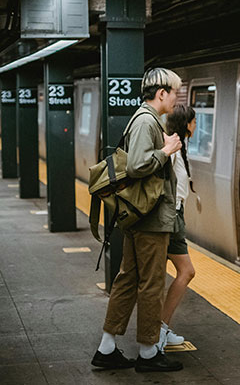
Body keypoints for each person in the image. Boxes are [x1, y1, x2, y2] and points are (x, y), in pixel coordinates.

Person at [91, 68, 184, 373]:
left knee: (128, 279)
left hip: (139, 216)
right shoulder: (147, 121)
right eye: (175, 92)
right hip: (150, 218)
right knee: (151, 283)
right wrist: (166, 150)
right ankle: (147, 352)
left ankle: (106, 348)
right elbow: (137, 164)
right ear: (162, 94)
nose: (177, 97)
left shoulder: (143, 118)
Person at [161, 105, 197, 346]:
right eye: (194, 121)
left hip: (173, 215)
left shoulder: (179, 147)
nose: (196, 125)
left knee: (151, 277)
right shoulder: (173, 148)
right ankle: (160, 329)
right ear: (186, 124)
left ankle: (156, 329)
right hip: (170, 217)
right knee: (187, 271)